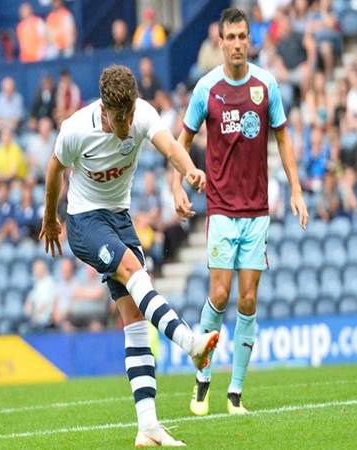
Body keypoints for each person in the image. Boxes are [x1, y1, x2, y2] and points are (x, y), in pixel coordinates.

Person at [39, 64, 219, 447]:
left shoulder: (141, 114)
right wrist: (51, 218)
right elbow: (54, 168)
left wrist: (190, 171)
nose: (128, 122)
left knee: (135, 320)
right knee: (134, 270)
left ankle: (148, 427)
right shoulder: (76, 129)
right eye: (121, 117)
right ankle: (190, 343)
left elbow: (170, 146)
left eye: (131, 113)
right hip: (85, 222)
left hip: (119, 218)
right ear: (104, 109)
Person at [175, 8, 308, 416]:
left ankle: (235, 393)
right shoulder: (207, 89)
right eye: (229, 37)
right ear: (220, 42)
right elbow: (181, 141)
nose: (236, 44)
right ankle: (202, 379)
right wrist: (176, 186)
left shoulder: (266, 85)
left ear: (250, 40)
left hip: (257, 209)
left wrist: (297, 191)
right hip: (220, 207)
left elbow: (283, 139)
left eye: (242, 37)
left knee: (248, 300)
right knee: (219, 293)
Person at [24, 259, 57, 329]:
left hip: (44, 320)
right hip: (36, 319)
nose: (35, 271)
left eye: (36, 269)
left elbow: (44, 304)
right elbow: (30, 299)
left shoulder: (48, 282)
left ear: (43, 269)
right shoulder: (38, 283)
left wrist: (35, 316)